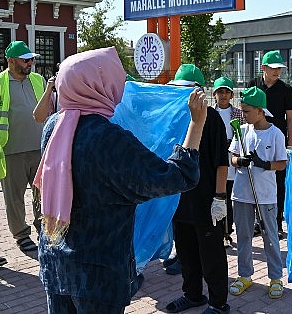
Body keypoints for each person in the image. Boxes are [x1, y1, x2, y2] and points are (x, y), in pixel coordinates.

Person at [35, 47, 206, 313]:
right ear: (100, 85)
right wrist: (196, 123)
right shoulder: (108, 139)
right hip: (97, 272)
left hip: (55, 262)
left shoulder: (53, 126)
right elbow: (175, 176)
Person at [165, 65, 230, 314]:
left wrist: (220, 197)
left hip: (206, 200)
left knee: (211, 255)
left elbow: (221, 162)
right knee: (186, 251)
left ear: (199, 92)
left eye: (188, 91)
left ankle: (218, 303)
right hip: (181, 199)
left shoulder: (211, 119)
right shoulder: (176, 116)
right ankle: (192, 294)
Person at [228, 86, 287, 300]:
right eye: (242, 110)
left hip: (265, 194)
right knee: (243, 235)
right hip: (242, 192)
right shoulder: (241, 130)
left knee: (270, 236)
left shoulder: (275, 134)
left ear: (260, 110)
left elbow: (281, 164)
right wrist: (239, 161)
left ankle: (275, 278)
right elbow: (233, 157)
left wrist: (264, 163)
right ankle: (245, 275)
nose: (243, 115)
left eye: (247, 111)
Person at [0, 41, 45, 253]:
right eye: (26, 60)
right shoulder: (0, 83)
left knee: (42, 193)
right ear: (11, 61)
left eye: (32, 59)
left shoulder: (38, 80)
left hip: (39, 148)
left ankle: (43, 227)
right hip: (10, 150)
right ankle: (21, 234)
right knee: (14, 197)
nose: (30, 63)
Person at [248, 51, 292, 238]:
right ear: (263, 68)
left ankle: (276, 222)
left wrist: (290, 143)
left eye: (279, 68)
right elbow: (247, 111)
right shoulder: (253, 85)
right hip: (256, 138)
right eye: (274, 68)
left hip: (277, 139)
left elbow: (290, 118)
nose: (277, 71)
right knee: (256, 179)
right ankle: (258, 222)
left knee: (278, 182)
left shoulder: (286, 89)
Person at [212, 76, 245, 248]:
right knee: (218, 195)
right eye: (220, 92)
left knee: (230, 196)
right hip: (215, 159)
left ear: (231, 95)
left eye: (226, 92)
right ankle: (217, 231)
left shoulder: (239, 114)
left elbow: (243, 135)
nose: (223, 95)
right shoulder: (210, 112)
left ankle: (227, 232)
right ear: (214, 94)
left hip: (232, 158)